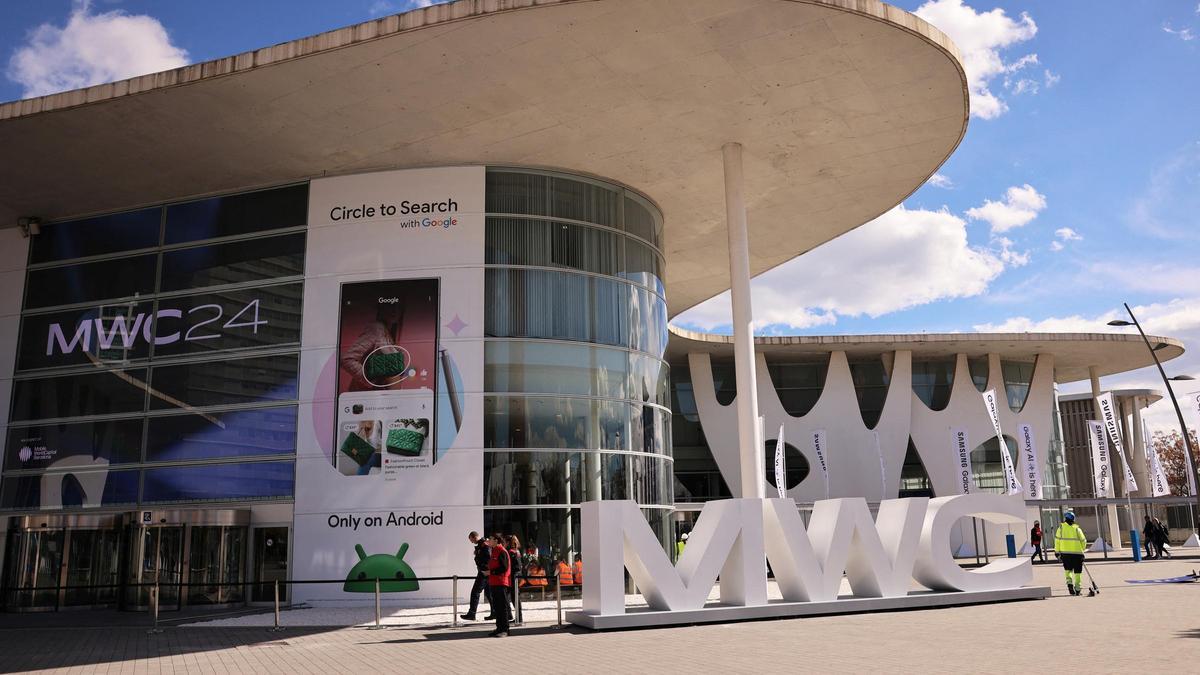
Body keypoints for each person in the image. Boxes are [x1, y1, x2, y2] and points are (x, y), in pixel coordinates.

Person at [1054, 512, 1088, 596]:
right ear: (1073, 519)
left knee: (1068, 570)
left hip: (1065, 554)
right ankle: (1077, 589)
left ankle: (1069, 584)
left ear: (1065, 519)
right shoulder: (1077, 529)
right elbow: (1084, 541)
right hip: (1077, 554)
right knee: (1078, 572)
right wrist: (1082, 550)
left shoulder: (1060, 528)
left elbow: (1057, 541)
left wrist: (1057, 552)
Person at [460, 531, 491, 621]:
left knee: (475, 592)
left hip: (484, 573)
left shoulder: (484, 545)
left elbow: (488, 558)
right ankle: (494, 613)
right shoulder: (482, 545)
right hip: (484, 572)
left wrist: (481, 565)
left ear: (474, 537)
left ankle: (472, 614)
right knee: (489, 594)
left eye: (471, 540)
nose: (471, 542)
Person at [486, 533, 512, 637]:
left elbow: (504, 568)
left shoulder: (502, 551)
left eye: (491, 539)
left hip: (501, 583)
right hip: (494, 583)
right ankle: (499, 628)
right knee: (497, 607)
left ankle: (505, 629)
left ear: (496, 540)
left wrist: (491, 572)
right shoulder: (494, 551)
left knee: (502, 607)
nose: (489, 540)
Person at [507, 535, 523, 624]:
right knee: (516, 597)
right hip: (518, 576)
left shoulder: (510, 552)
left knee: (514, 598)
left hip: (513, 576)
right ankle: (518, 617)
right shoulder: (517, 551)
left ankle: (518, 617)